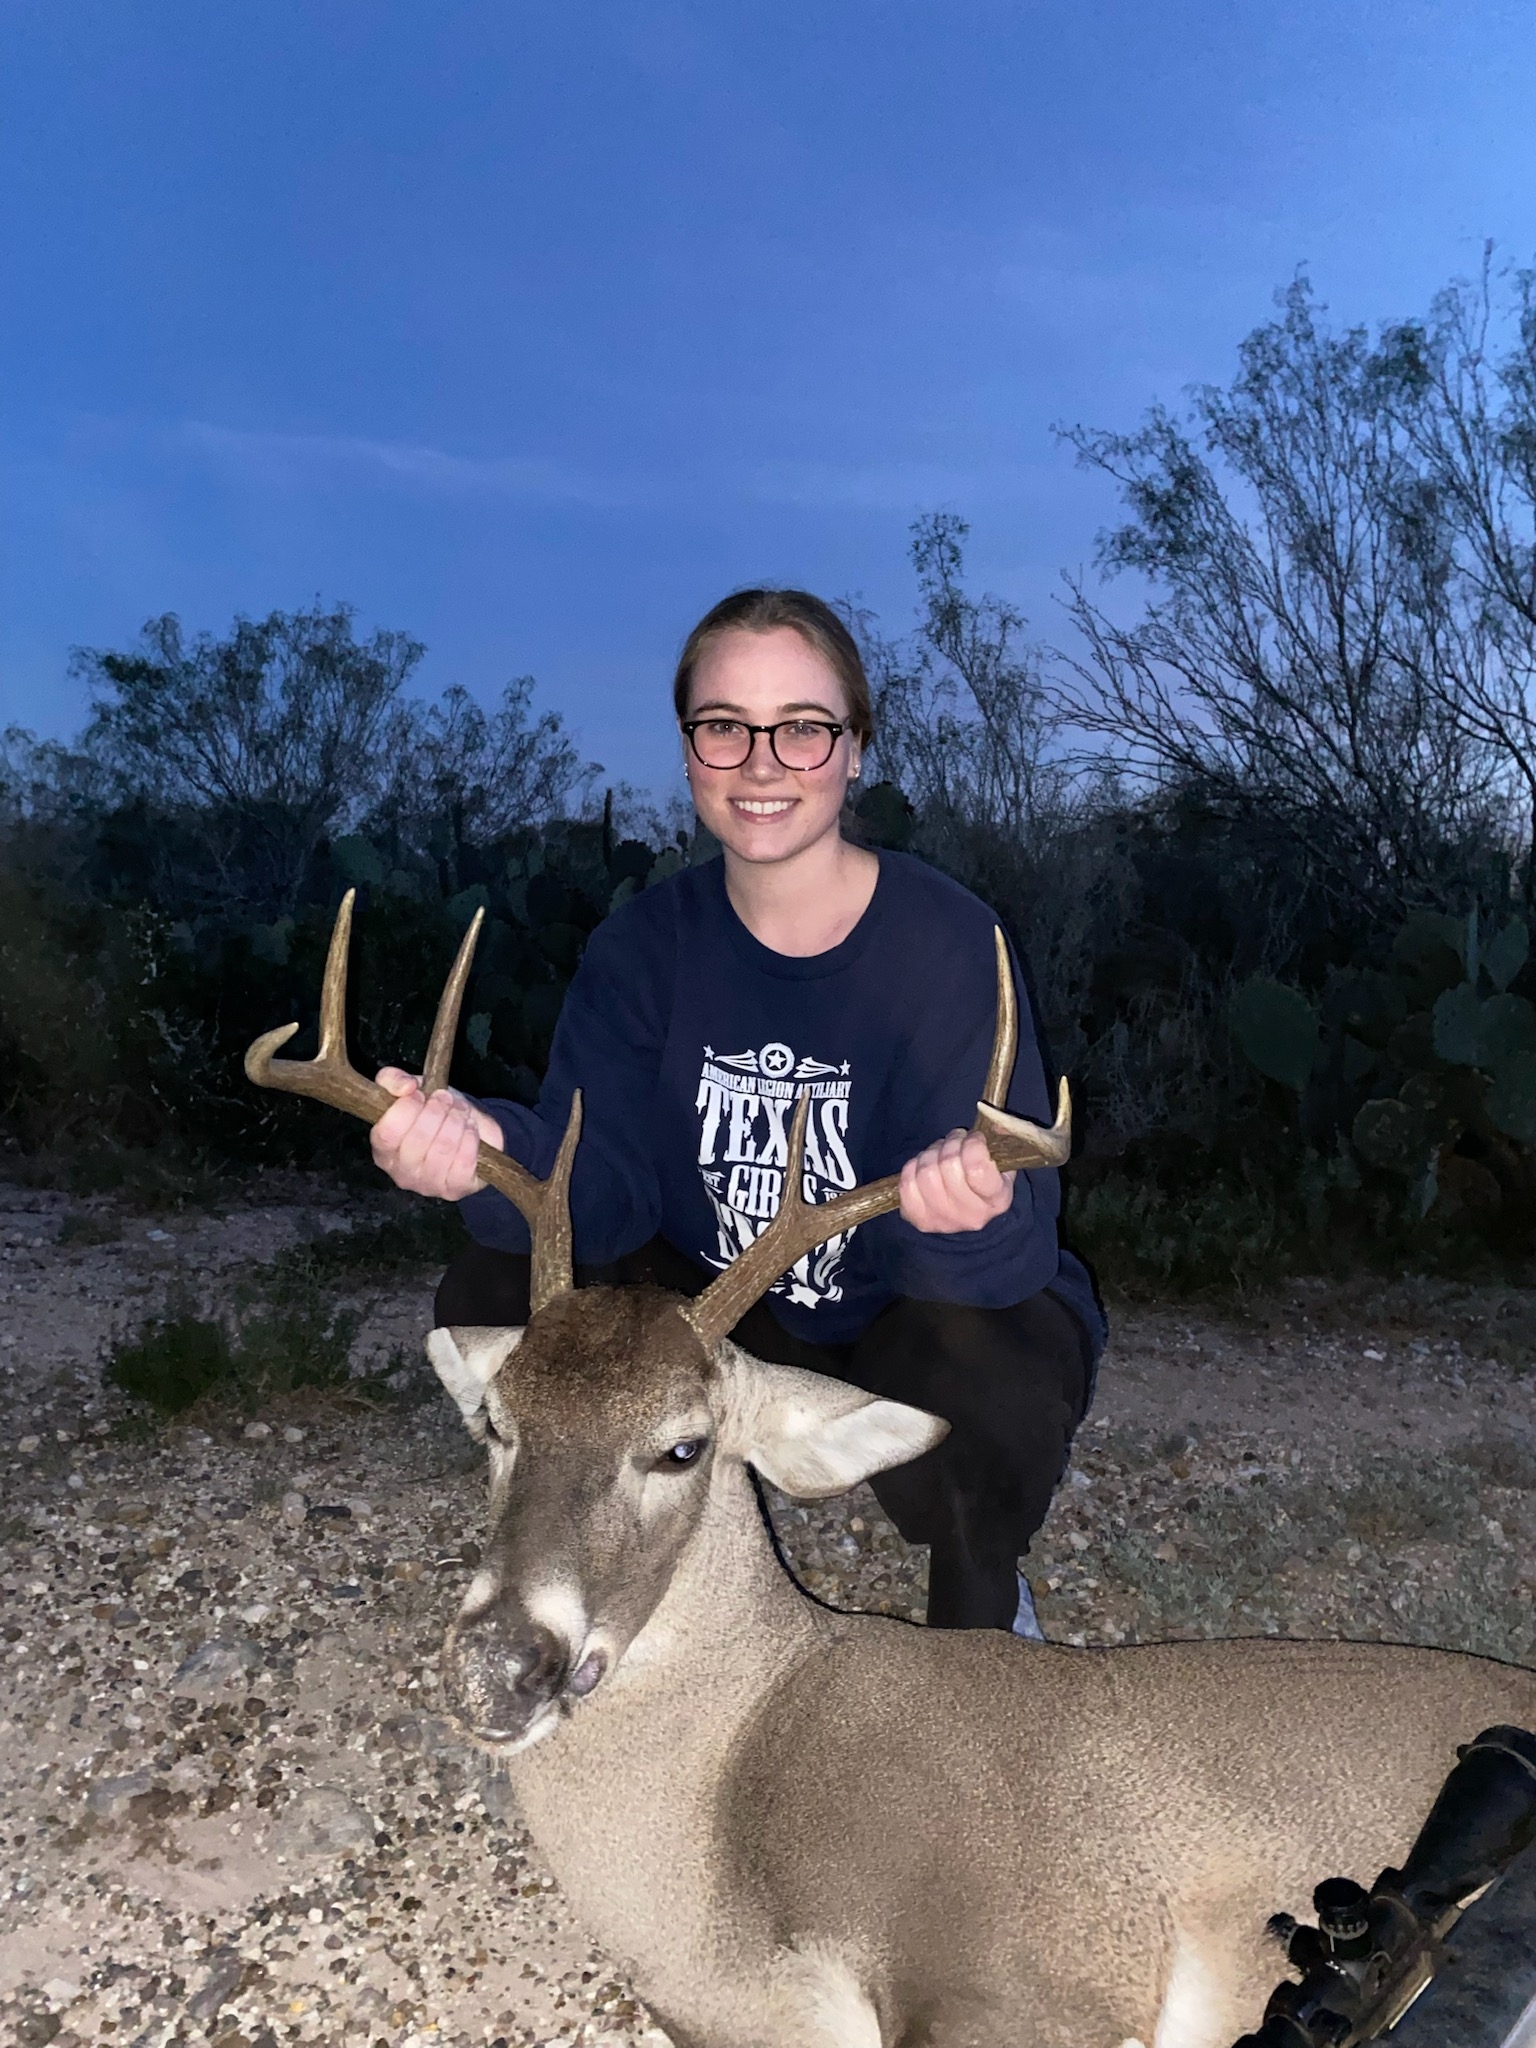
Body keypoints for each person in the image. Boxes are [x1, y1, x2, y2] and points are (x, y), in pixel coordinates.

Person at [369, 588, 1105, 1635]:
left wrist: (966, 1217)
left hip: (891, 1309)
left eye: (802, 728)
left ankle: (981, 1604)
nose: (762, 763)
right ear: (688, 751)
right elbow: (601, 1186)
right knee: (496, 1286)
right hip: (717, 1317)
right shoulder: (641, 948)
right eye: (725, 726)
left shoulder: (948, 943)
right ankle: (596, 1540)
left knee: (998, 1373)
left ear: (855, 748)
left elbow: (1015, 1246)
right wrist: (484, 1151)